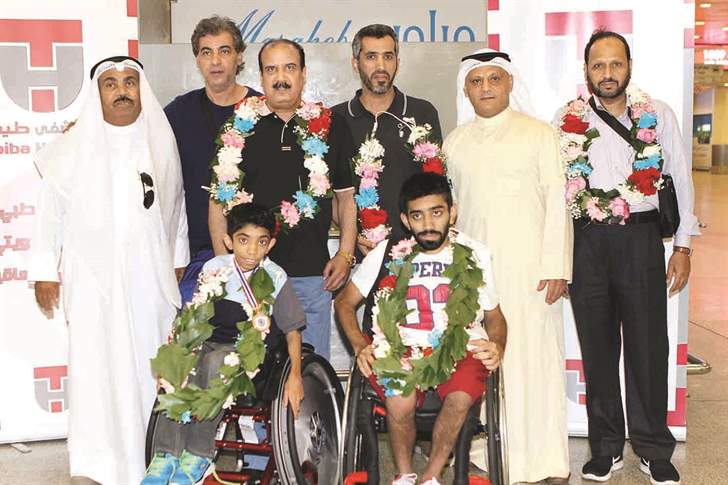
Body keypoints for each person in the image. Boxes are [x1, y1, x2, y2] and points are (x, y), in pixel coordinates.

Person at [29, 56, 189, 485]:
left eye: (130, 82)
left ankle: (151, 455)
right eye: (111, 83)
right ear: (97, 93)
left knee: (149, 365)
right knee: (96, 367)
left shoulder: (159, 141)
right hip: (91, 282)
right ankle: (98, 461)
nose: (122, 91)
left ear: (141, 89)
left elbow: (176, 207)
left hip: (149, 281)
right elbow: (49, 214)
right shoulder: (71, 147)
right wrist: (44, 270)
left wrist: (178, 259)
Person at [555, 30, 698, 485]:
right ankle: (606, 447)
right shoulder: (567, 119)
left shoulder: (658, 114)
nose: (607, 73)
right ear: (586, 71)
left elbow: (680, 177)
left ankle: (654, 448)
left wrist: (682, 246)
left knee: (648, 346)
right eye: (598, 65)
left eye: (616, 64)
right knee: (597, 348)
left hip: (641, 239)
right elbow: (555, 190)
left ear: (630, 67)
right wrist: (558, 256)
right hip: (587, 242)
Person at [443, 48, 573, 484]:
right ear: (466, 89)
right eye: (476, 81)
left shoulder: (539, 134)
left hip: (532, 270)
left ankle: (542, 457)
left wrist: (557, 266)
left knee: (533, 357)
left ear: (510, 83)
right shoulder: (455, 142)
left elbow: (558, 204)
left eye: (494, 79)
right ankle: (487, 450)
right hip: (476, 274)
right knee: (483, 356)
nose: (486, 88)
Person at [335, 172, 507, 485]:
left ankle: (430, 477)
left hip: (459, 348)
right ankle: (404, 475)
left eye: (436, 212)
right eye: (417, 215)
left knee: (459, 398)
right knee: (399, 398)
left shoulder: (474, 253)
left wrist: (497, 345)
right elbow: (344, 303)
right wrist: (360, 345)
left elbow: (495, 317)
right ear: (406, 219)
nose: (428, 223)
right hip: (399, 346)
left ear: (452, 213)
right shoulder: (388, 251)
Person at [208, 39, 357, 359]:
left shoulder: (331, 126)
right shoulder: (238, 126)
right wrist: (227, 268)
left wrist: (345, 254)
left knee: (309, 372)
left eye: (289, 68)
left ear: (303, 74)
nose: (281, 78)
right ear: (261, 77)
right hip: (251, 276)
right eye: (271, 69)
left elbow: (346, 199)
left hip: (311, 276)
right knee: (250, 372)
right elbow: (218, 203)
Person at [142, 203, 305, 485]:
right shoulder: (215, 268)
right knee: (182, 365)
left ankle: (198, 453)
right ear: (229, 241)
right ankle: (166, 454)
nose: (252, 250)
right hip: (210, 340)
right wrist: (175, 355)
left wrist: (296, 376)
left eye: (261, 242)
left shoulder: (276, 277)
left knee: (215, 363)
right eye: (244, 240)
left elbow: (293, 331)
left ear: (270, 244)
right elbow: (193, 317)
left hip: (251, 352)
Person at [164, 15, 263, 303]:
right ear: (197, 59)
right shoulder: (178, 112)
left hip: (256, 252)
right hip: (195, 256)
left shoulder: (262, 110)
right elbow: (135, 134)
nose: (215, 61)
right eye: (206, 52)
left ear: (239, 56)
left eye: (224, 51)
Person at [332, 24, 442, 252]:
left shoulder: (422, 113)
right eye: (371, 57)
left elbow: (436, 186)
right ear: (355, 63)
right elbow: (331, 193)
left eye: (388, 57)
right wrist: (353, 235)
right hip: (360, 253)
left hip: (416, 252)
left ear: (397, 63)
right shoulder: (337, 118)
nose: (381, 66)